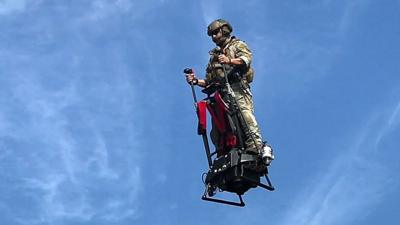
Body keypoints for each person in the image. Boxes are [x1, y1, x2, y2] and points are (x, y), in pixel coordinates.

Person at [185, 19, 274, 165]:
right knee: (217, 129)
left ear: (224, 31)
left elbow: (246, 60)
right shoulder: (214, 56)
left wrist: (229, 61)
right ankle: (224, 152)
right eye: (211, 35)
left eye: (215, 33)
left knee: (244, 115)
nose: (213, 37)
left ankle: (255, 146)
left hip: (237, 88)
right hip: (221, 94)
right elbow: (209, 81)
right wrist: (195, 81)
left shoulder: (237, 45)